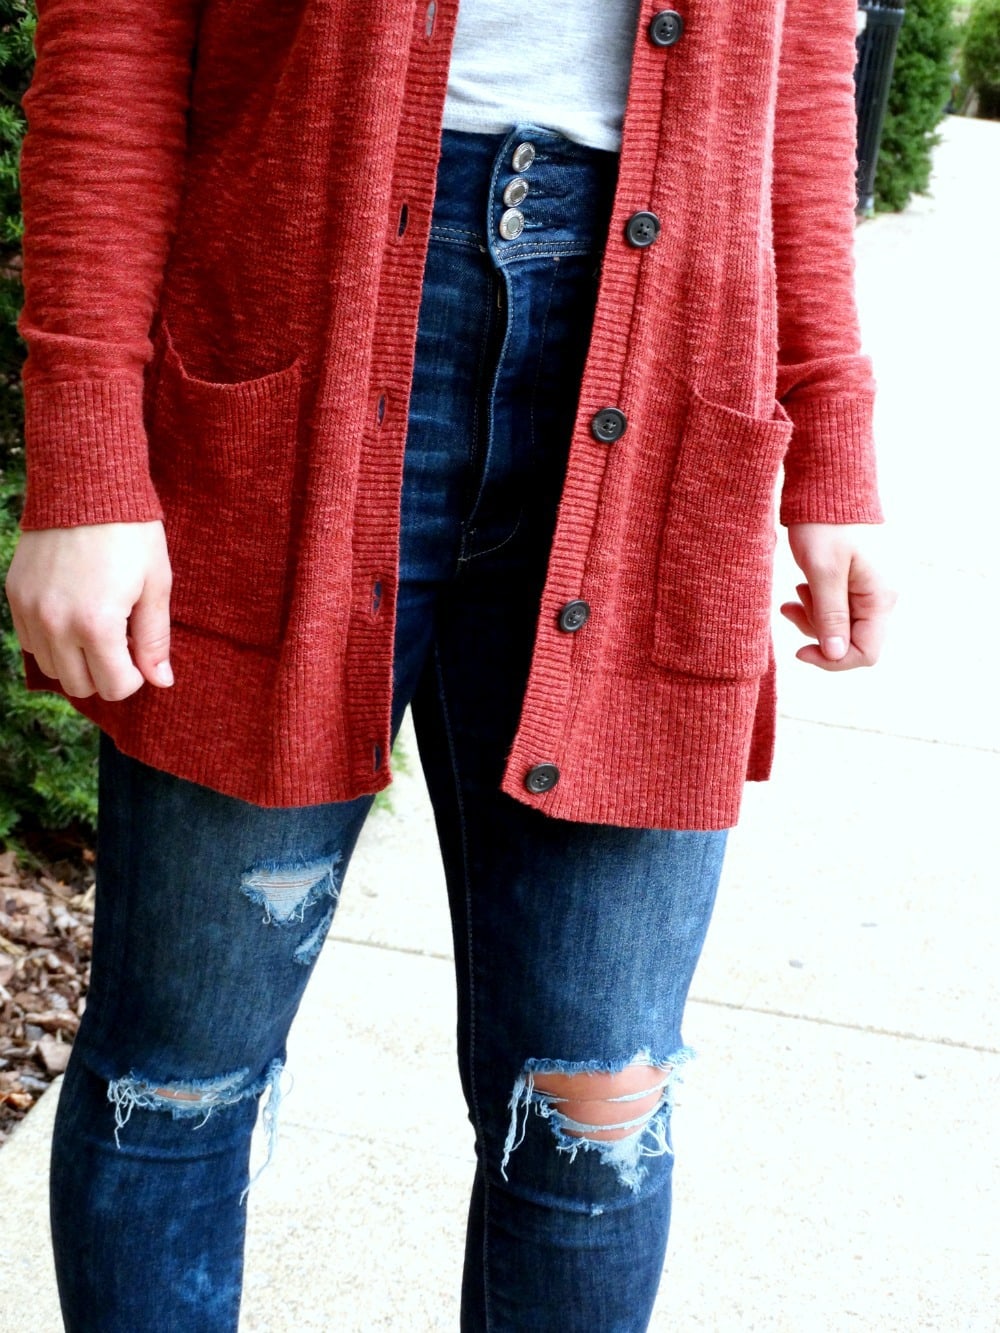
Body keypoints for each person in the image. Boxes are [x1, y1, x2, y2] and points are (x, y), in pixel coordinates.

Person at [4, 0, 895, 1329]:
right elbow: (123, 29)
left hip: (667, 381)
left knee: (597, 1095)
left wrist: (830, 416)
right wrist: (86, 451)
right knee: (179, 1080)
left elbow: (807, 62)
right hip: (290, 343)